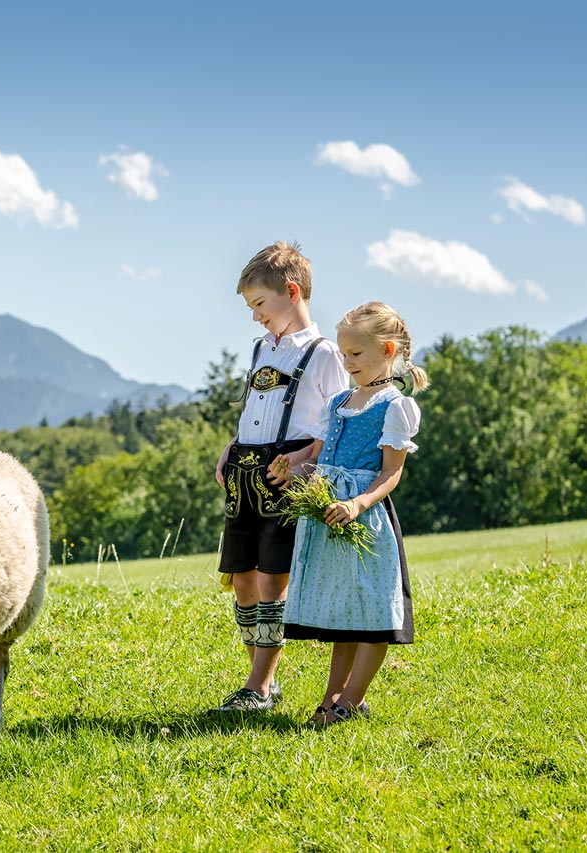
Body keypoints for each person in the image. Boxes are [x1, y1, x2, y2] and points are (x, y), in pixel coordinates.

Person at [274, 301, 429, 727]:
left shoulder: (395, 406)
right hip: (327, 517)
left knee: (371, 615)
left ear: (388, 350)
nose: (347, 362)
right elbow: (320, 459)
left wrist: (357, 503)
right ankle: (331, 701)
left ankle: (349, 703)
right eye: (343, 355)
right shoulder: (340, 401)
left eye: (356, 355)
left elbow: (391, 472)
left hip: (364, 518)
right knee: (344, 615)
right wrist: (295, 467)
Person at [212, 242, 347, 713]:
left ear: (292, 292)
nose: (255, 317)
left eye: (259, 305)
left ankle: (259, 686)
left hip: (284, 475)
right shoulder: (259, 349)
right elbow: (256, 409)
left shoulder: (324, 354)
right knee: (242, 579)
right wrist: (232, 447)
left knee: (272, 580)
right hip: (244, 471)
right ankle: (261, 679)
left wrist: (308, 457)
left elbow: (338, 422)